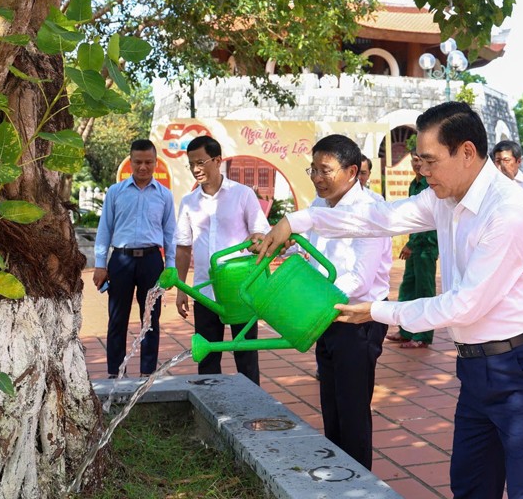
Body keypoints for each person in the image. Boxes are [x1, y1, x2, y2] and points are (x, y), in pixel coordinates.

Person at [254, 102, 523, 499]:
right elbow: (382, 218)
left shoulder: (506, 211)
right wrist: (298, 221)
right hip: (475, 365)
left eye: (429, 161)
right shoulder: (445, 198)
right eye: (418, 161)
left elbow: (463, 305)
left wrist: (377, 310)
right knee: (471, 485)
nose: (422, 171)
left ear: (466, 153)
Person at [272, 134, 392, 471]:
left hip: (357, 320)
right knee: (332, 406)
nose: (318, 179)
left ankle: (359, 485)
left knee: (352, 410)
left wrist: (314, 302)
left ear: (352, 171)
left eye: (326, 171)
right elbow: (308, 248)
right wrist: (283, 247)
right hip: (326, 314)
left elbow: (360, 279)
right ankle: (338, 476)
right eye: (314, 170)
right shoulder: (318, 206)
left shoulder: (370, 211)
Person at [174, 135, 270, 384]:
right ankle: (210, 412)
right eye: (191, 164)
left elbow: (261, 232)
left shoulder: (243, 194)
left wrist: (258, 239)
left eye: (201, 162)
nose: (196, 169)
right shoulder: (188, 202)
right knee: (207, 356)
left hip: (240, 290)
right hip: (205, 291)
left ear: (217, 160)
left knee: (246, 355)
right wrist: (181, 289)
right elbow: (183, 248)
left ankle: (252, 410)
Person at [92, 139, 176, 378]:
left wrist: (170, 266)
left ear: (155, 162)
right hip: (121, 261)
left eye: (148, 162)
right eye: (138, 162)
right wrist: (100, 264)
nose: (143, 167)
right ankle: (115, 372)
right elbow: (104, 230)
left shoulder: (164, 195)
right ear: (130, 162)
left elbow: (170, 234)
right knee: (117, 318)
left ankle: (147, 372)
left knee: (150, 318)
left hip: (152, 262)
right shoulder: (115, 192)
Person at [386, 152, 438, 349]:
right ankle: (406, 330)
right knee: (408, 288)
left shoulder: (430, 185)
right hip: (414, 245)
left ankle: (423, 335)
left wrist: (412, 243)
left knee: (424, 291)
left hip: (427, 245)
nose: (417, 164)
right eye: (414, 160)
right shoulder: (413, 184)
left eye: (421, 161)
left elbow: (427, 220)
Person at [491, 140, 523, 214]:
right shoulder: (491, 183)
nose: (500, 166)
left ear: (519, 161)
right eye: (497, 161)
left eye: (506, 160)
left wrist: (511, 182)